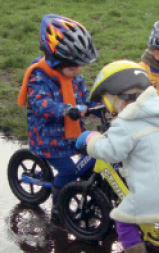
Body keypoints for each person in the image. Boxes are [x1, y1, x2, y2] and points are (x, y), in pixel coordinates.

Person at [76, 60, 159, 253]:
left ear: (119, 99)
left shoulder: (126, 124)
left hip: (153, 193)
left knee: (123, 219)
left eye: (109, 103)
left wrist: (92, 140)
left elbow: (112, 153)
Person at [17, 14, 99, 221]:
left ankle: (90, 193)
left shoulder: (73, 75)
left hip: (72, 134)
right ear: (54, 60)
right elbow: (40, 103)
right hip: (48, 138)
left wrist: (97, 106)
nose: (78, 72)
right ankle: (58, 204)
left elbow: (85, 97)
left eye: (80, 67)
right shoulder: (39, 77)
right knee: (69, 171)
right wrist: (66, 110)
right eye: (73, 67)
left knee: (95, 157)